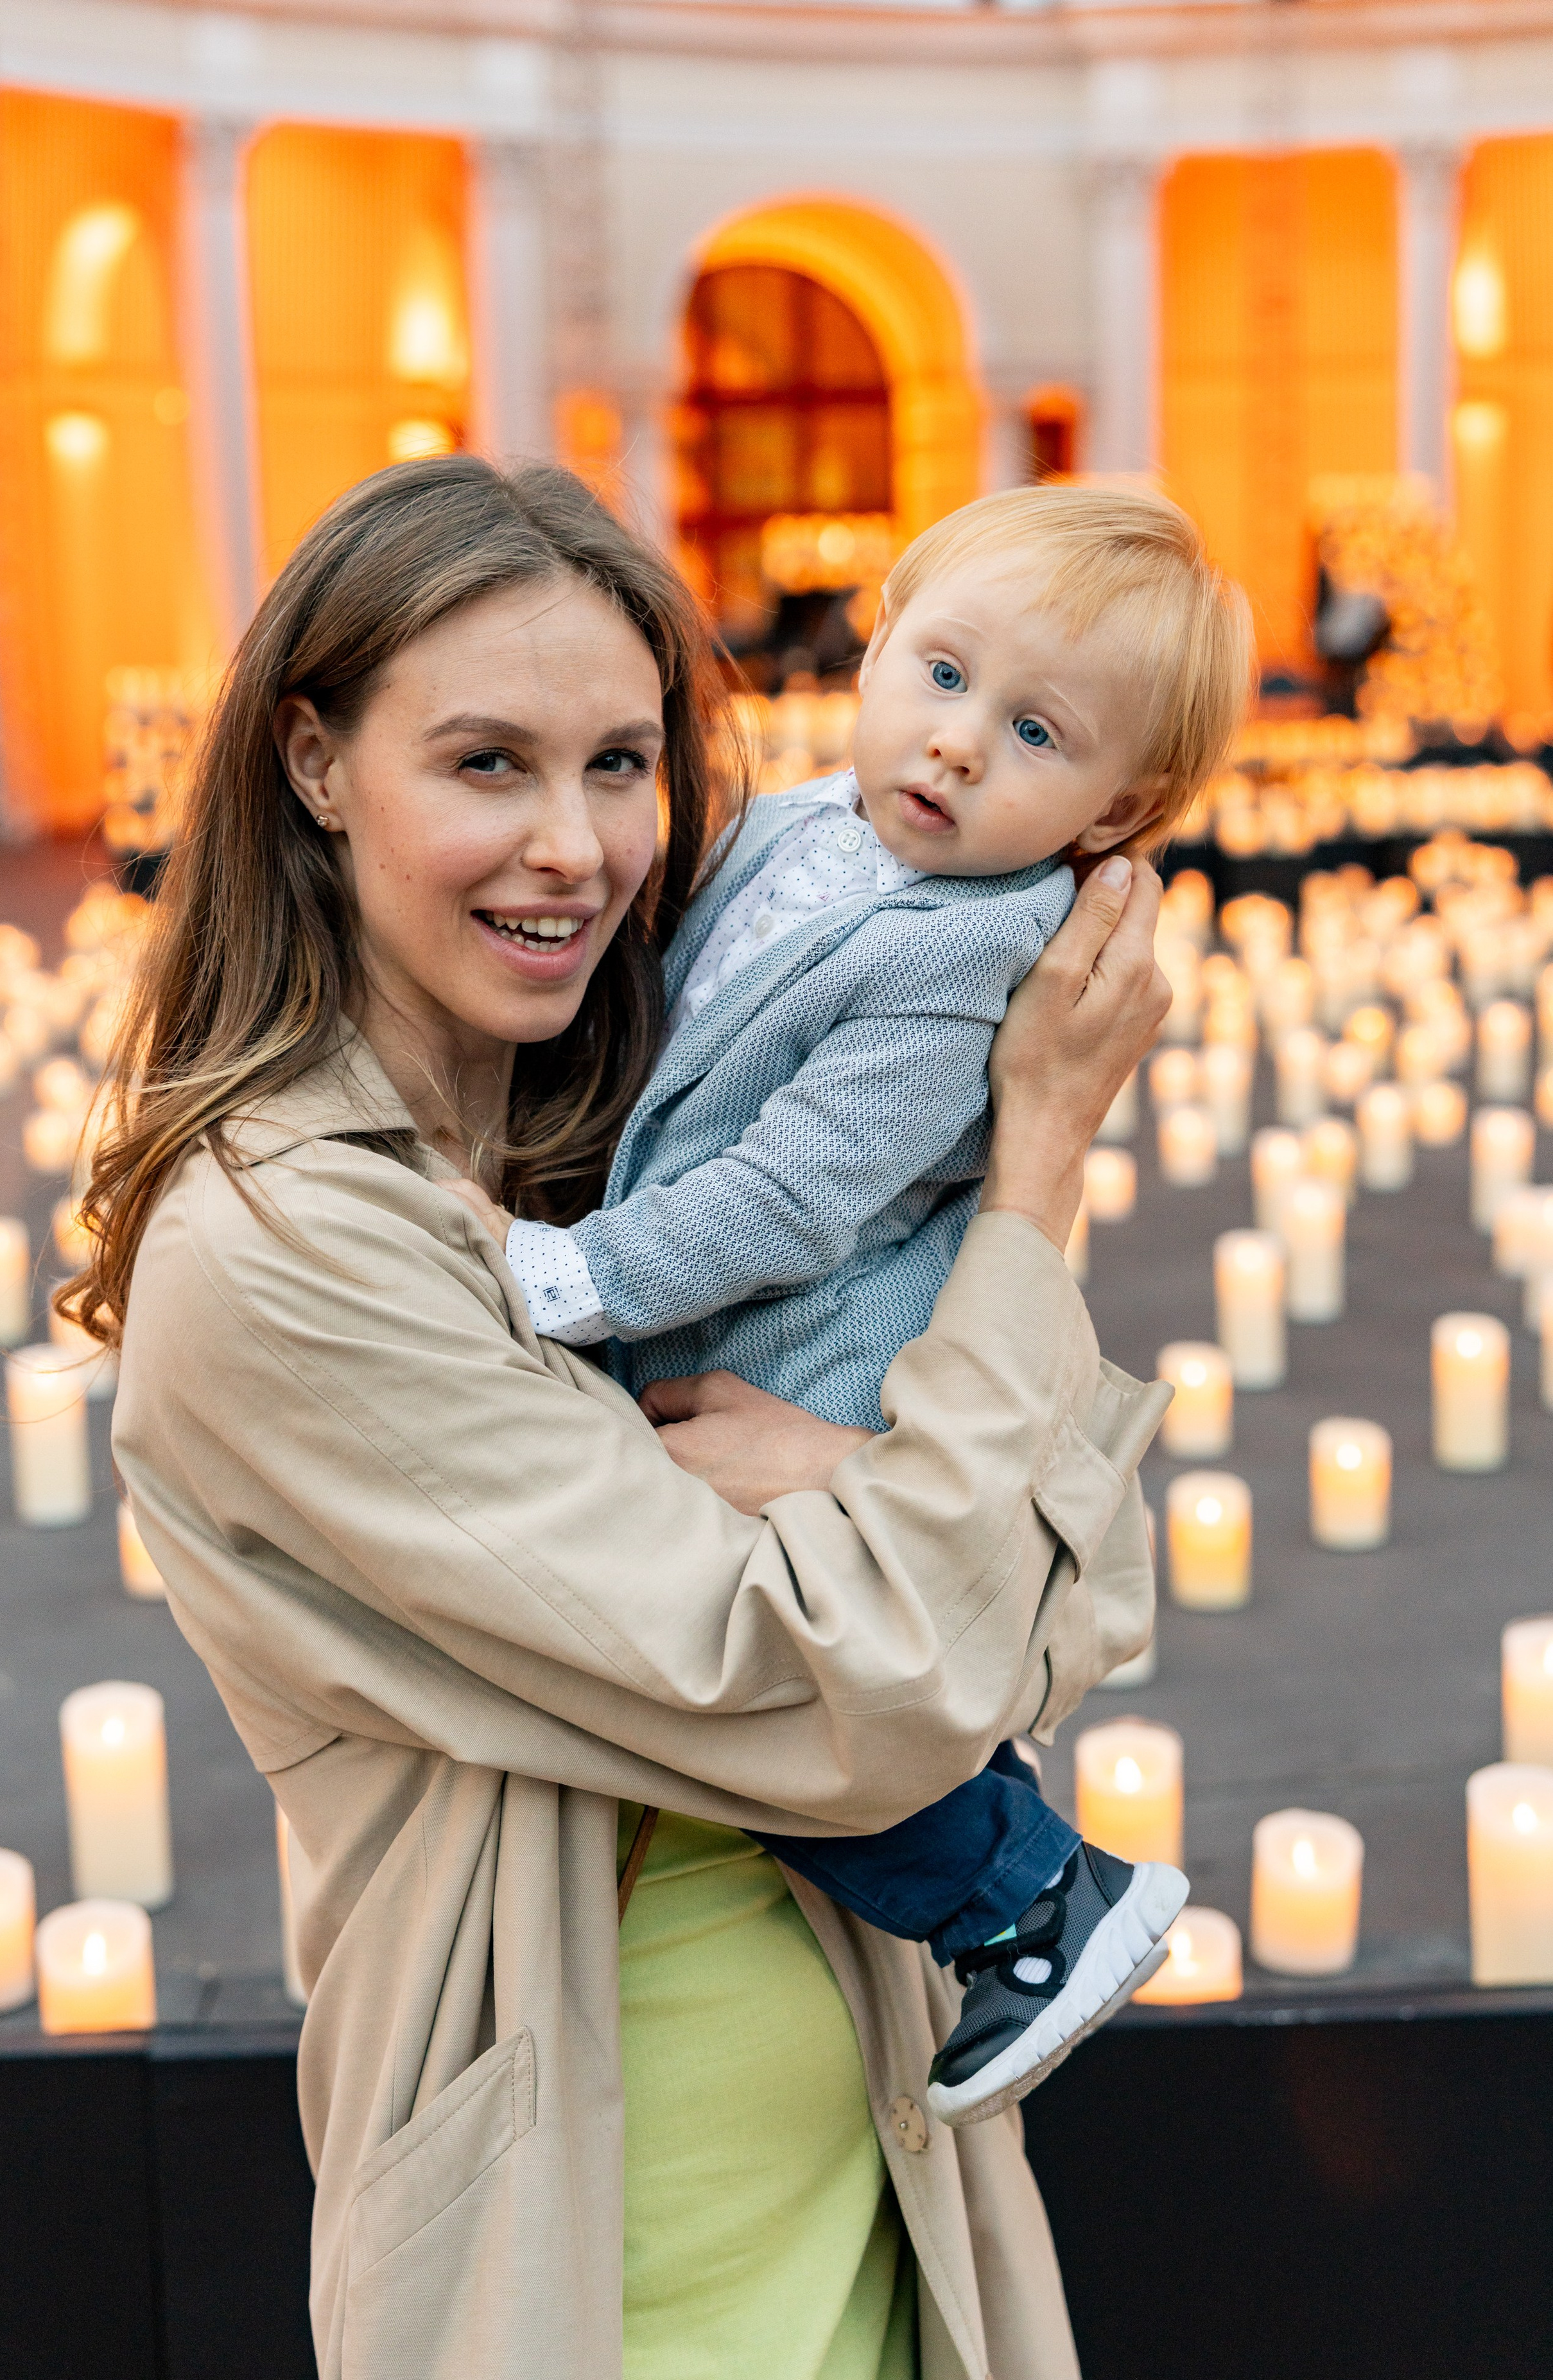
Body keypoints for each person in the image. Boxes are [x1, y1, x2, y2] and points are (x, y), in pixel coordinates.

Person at [68, 457, 1172, 2380]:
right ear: (315, 766)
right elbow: (903, 1684)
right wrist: (1028, 1192)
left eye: (620, 766)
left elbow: (1067, 1610)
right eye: (487, 762)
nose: (573, 847)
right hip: (593, 2284)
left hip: (860, 2207)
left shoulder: (609, 1138)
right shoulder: (291, 1239)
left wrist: (875, 1491)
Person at [450, 489, 1251, 2126]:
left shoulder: (972, 950)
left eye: (1034, 732)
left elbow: (797, 1192)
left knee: (778, 1684)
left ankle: (1027, 1898)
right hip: (704, 1295)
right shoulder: (809, 823)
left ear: (1123, 806)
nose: (956, 745)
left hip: (800, 1343)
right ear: (877, 634)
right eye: (941, 674)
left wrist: (580, 1274)